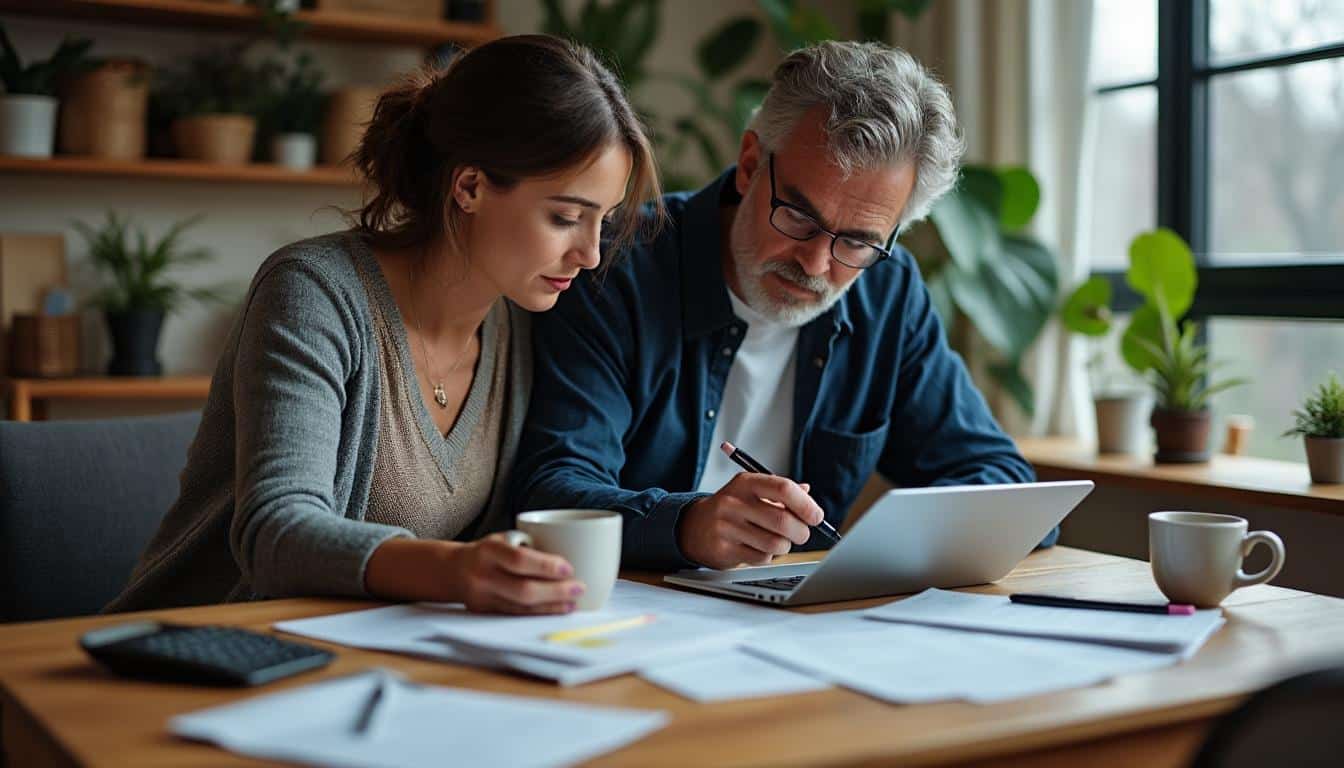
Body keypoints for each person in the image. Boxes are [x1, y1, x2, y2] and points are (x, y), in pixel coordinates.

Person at [107, 35, 661, 613]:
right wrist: (455, 570)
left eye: (603, 221)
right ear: (469, 187)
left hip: (362, 650)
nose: (590, 255)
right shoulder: (314, 292)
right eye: (566, 217)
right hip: (192, 641)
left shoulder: (518, 321)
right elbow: (275, 534)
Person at [514, 40, 1047, 572]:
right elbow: (553, 489)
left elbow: (1000, 479)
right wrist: (685, 525)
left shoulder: (888, 292)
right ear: (750, 164)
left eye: (856, 242)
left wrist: (886, 547)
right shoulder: (616, 267)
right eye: (798, 216)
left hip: (802, 612)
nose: (815, 263)